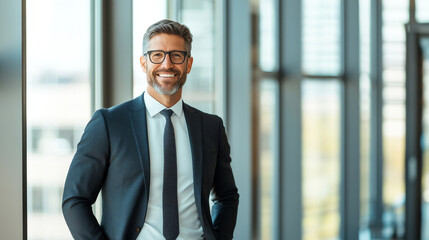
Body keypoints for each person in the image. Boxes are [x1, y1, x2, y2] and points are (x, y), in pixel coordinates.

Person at [62, 19, 239, 240]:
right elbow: (74, 199)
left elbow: (227, 196)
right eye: (157, 55)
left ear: (189, 64)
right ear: (144, 63)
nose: (167, 64)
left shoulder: (211, 127)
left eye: (177, 55)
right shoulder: (109, 123)